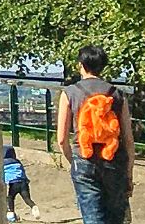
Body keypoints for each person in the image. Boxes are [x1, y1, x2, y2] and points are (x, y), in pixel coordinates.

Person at [59, 45, 134, 224]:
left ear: (81, 65)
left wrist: (74, 161)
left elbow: (61, 139)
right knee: (115, 217)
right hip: (114, 160)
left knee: (92, 217)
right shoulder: (117, 94)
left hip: (84, 158)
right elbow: (128, 139)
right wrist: (129, 174)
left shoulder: (69, 93)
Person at [5, 143, 34, 222]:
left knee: (10, 198)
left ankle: (11, 216)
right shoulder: (17, 161)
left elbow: (2, 174)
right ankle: (33, 206)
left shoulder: (3, 162)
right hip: (23, 182)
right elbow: (22, 171)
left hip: (13, 183)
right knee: (27, 198)